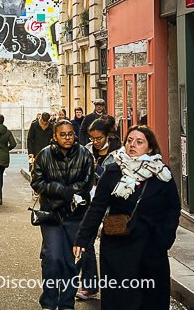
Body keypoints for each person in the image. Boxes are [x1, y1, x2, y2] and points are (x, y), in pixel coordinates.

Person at [74, 126, 180, 309]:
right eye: (129, 141)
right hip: (118, 248)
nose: (132, 145)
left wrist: (165, 238)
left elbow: (173, 209)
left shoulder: (162, 174)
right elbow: (97, 208)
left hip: (151, 248)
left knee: (150, 300)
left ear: (150, 148)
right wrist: (82, 239)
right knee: (120, 300)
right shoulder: (113, 172)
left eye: (139, 142)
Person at [31, 120, 95, 310]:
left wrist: (72, 193)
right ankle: (49, 302)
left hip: (76, 216)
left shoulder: (84, 154)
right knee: (52, 258)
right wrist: (62, 191)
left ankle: (66, 303)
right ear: (55, 136)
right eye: (63, 134)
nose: (67, 138)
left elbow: (87, 182)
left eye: (70, 134)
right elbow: (37, 182)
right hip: (51, 214)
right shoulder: (45, 155)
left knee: (70, 261)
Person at [74, 117, 124, 301]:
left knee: (112, 246)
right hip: (90, 204)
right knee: (85, 243)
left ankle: (117, 287)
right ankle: (90, 285)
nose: (95, 142)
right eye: (92, 138)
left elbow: (120, 180)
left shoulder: (120, 153)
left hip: (113, 206)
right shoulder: (85, 150)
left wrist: (100, 171)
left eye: (98, 138)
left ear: (107, 136)